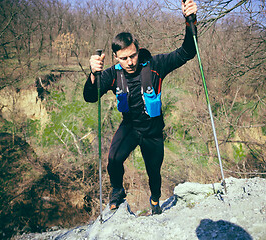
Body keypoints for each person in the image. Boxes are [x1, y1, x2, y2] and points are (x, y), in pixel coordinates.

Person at [83, 0, 197, 215]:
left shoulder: (155, 64)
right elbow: (90, 97)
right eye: (124, 58)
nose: (130, 62)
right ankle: (117, 190)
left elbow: (187, 52)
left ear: (138, 50)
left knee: (154, 171)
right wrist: (92, 74)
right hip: (130, 127)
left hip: (152, 130)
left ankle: (155, 199)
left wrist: (190, 21)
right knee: (114, 159)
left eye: (133, 55)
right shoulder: (112, 74)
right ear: (116, 58)